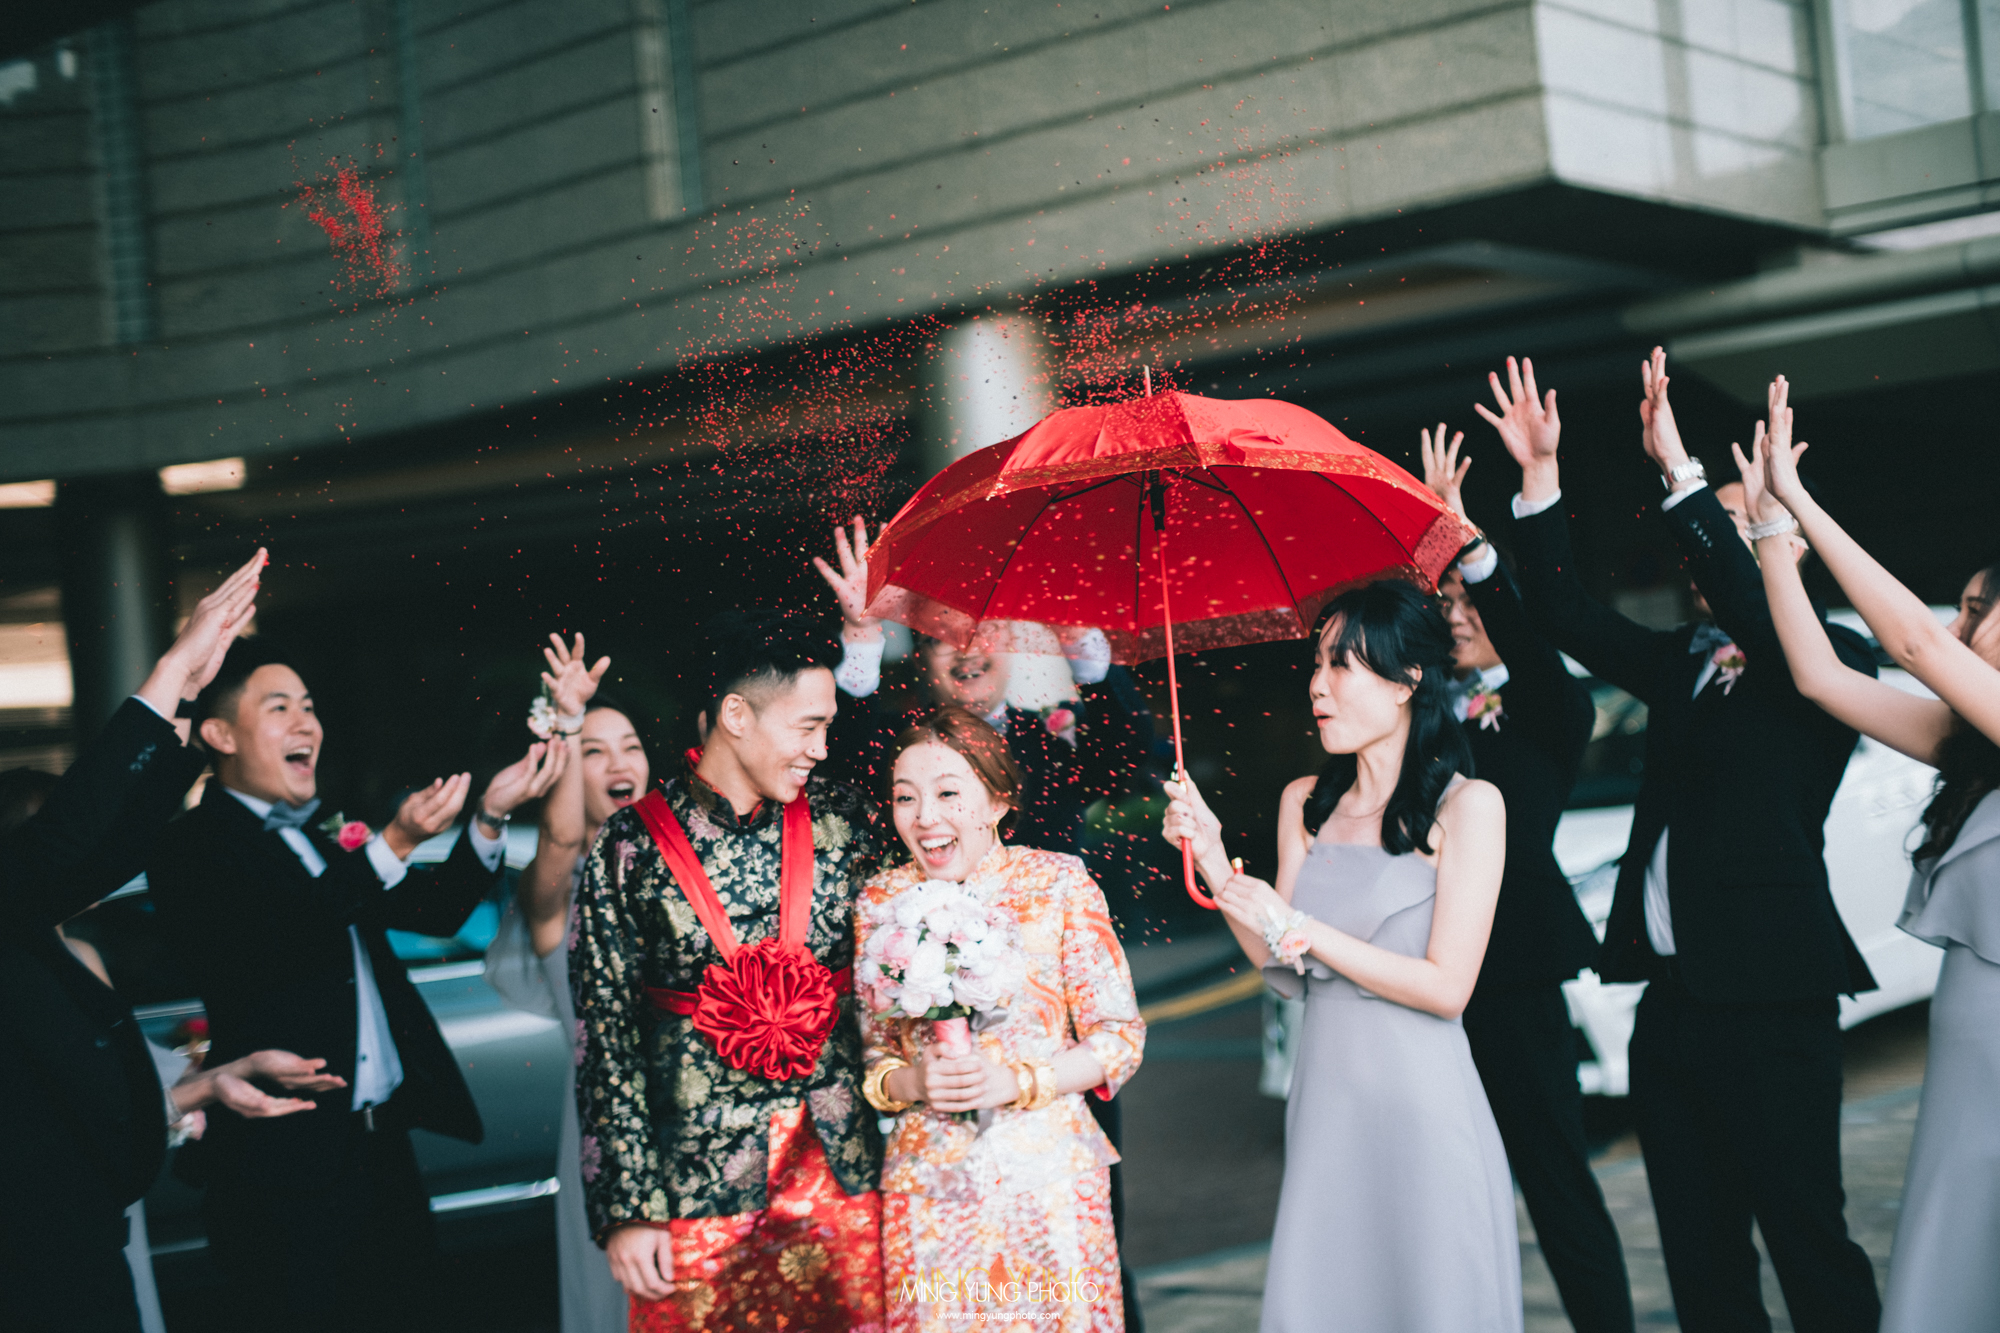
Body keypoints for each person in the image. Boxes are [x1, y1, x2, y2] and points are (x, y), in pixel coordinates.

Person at [1480, 350, 1881, 1332]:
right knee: (1701, 1261)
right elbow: (1565, 615)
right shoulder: (1682, 662)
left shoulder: (1835, 660)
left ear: (1789, 545)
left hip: (1773, 1003)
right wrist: (1537, 482)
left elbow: (1759, 610)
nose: (1720, 543)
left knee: (1807, 1240)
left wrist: (1683, 477)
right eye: (1723, 524)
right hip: (1671, 1008)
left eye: (1751, 524)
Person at [148, 636, 565, 1333]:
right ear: (219, 734)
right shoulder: (191, 846)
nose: (307, 724)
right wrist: (391, 843)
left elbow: (435, 913)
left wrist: (489, 816)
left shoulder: (319, 835)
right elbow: (280, 938)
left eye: (309, 707)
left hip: (380, 1148)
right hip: (283, 1165)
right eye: (280, 707)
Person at [816, 517, 1154, 1326]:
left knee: (1089, 1262)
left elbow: (1131, 755)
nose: (964, 648)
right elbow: (845, 762)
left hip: (1055, 1067)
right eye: (940, 638)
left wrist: (1083, 640)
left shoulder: (1048, 745)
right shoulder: (893, 770)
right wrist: (860, 640)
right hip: (933, 1158)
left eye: (981, 630)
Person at [1164, 579, 1519, 1333]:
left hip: (1423, 1108)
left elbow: (1447, 987)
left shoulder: (1469, 807)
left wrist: (1298, 923)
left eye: (1340, 666)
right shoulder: (1306, 802)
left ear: (1406, 680)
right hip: (1325, 1106)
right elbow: (1284, 970)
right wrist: (1216, 859)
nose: (1317, 686)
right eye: (1316, 665)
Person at [1734, 378, 2000, 1332]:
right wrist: (1773, 538)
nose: (1962, 625)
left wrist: (1803, 500)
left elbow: (1915, 642)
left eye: (1981, 608)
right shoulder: (1970, 744)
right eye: (1962, 608)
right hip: (1972, 1061)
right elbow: (1819, 676)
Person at [571, 611, 886, 1332]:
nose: (821, 749)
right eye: (807, 727)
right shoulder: (629, 846)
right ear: (736, 715)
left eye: (828, 728)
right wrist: (629, 1210)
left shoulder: (845, 820)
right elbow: (606, 1036)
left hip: (842, 1167)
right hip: (694, 1185)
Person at [0, 548, 263, 1333]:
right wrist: (170, 672)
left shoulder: (26, 920)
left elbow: (97, 855)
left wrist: (181, 696)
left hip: (72, 1246)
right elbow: (61, 845)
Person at [1419, 426, 1635, 1333]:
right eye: (1446, 603)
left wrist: (1468, 549)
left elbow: (1530, 644)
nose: (1458, 614)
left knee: (1554, 1177)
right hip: (1420, 972)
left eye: (1470, 602)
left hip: (1513, 969)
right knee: (1446, 1187)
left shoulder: (1548, 703)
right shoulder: (1422, 715)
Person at [859, 706, 1145, 1332]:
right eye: (905, 797)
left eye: (948, 793)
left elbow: (1120, 1038)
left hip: (1051, 1176)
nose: (924, 816)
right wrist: (912, 1082)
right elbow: (873, 1055)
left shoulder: (1059, 883)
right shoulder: (879, 901)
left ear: (997, 800)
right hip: (929, 1186)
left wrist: (1020, 1081)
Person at [483, 632, 633, 1333]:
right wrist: (568, 723)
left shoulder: (686, 871)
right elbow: (563, 840)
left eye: (630, 746)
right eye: (596, 752)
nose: (620, 763)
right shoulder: (556, 895)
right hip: (604, 1123)